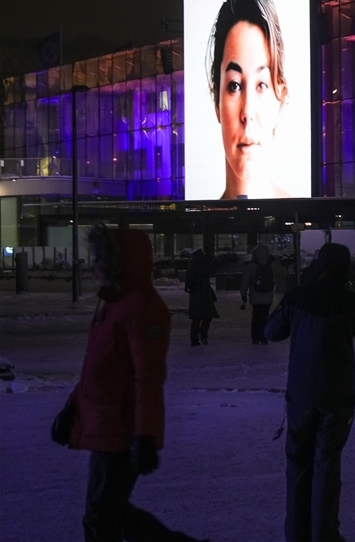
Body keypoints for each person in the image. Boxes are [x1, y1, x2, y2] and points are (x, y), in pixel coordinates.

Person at [50, 226, 205, 542]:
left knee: (102, 514)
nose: (94, 265)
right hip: (106, 422)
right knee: (110, 511)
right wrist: (72, 407)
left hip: (123, 427)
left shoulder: (142, 307)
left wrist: (145, 435)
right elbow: (97, 368)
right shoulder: (114, 303)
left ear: (119, 263)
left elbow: (148, 378)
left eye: (101, 259)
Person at [265, 243, 355, 542]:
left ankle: (296, 534)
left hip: (300, 395)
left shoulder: (297, 298)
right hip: (337, 397)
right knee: (327, 466)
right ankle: (324, 534)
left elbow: (271, 331)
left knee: (297, 465)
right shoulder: (351, 302)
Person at [207, 0, 290, 199]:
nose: (247, 112)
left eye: (261, 85)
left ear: (280, 96)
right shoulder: (200, 221)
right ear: (217, 101)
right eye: (234, 85)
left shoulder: (303, 218)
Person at [240, 244, 275, 345]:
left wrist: (243, 295)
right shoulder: (271, 265)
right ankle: (264, 337)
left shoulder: (251, 266)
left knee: (256, 316)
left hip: (255, 295)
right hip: (267, 295)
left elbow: (245, 282)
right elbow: (281, 271)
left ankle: (255, 337)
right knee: (265, 316)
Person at [184, 248, 218, 346]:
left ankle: (194, 340)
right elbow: (213, 266)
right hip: (204, 296)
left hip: (194, 297)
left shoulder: (191, 270)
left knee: (196, 318)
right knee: (208, 316)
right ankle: (202, 333)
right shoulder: (203, 268)